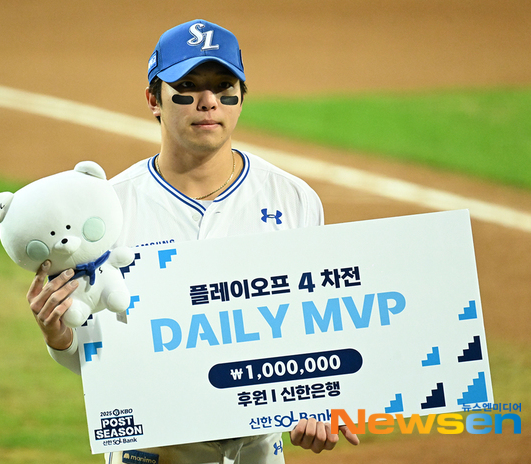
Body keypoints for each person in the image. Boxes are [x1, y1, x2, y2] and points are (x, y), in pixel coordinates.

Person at [26, 19, 360, 464]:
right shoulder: (107, 212)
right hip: (150, 451)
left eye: (224, 87)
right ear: (154, 99)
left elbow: (315, 325)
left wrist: (319, 400)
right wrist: (60, 335)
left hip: (259, 450)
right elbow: (91, 353)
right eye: (186, 87)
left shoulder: (293, 199)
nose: (208, 101)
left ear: (241, 97)